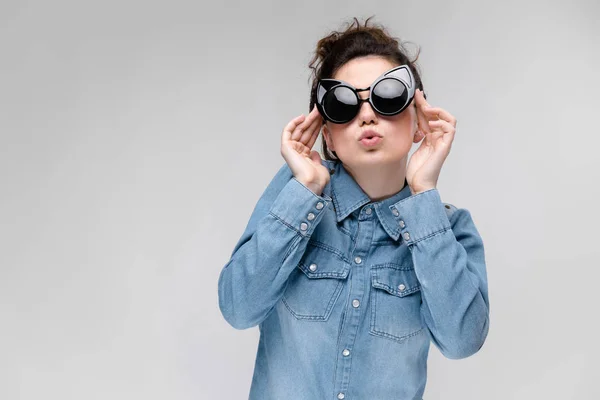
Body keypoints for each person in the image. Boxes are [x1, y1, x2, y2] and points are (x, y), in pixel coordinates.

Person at [217, 16, 490, 400]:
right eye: (344, 102)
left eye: (389, 96)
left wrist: (423, 193)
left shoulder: (448, 228)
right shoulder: (296, 196)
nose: (367, 114)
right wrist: (306, 190)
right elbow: (238, 308)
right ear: (326, 132)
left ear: (419, 121)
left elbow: (462, 341)